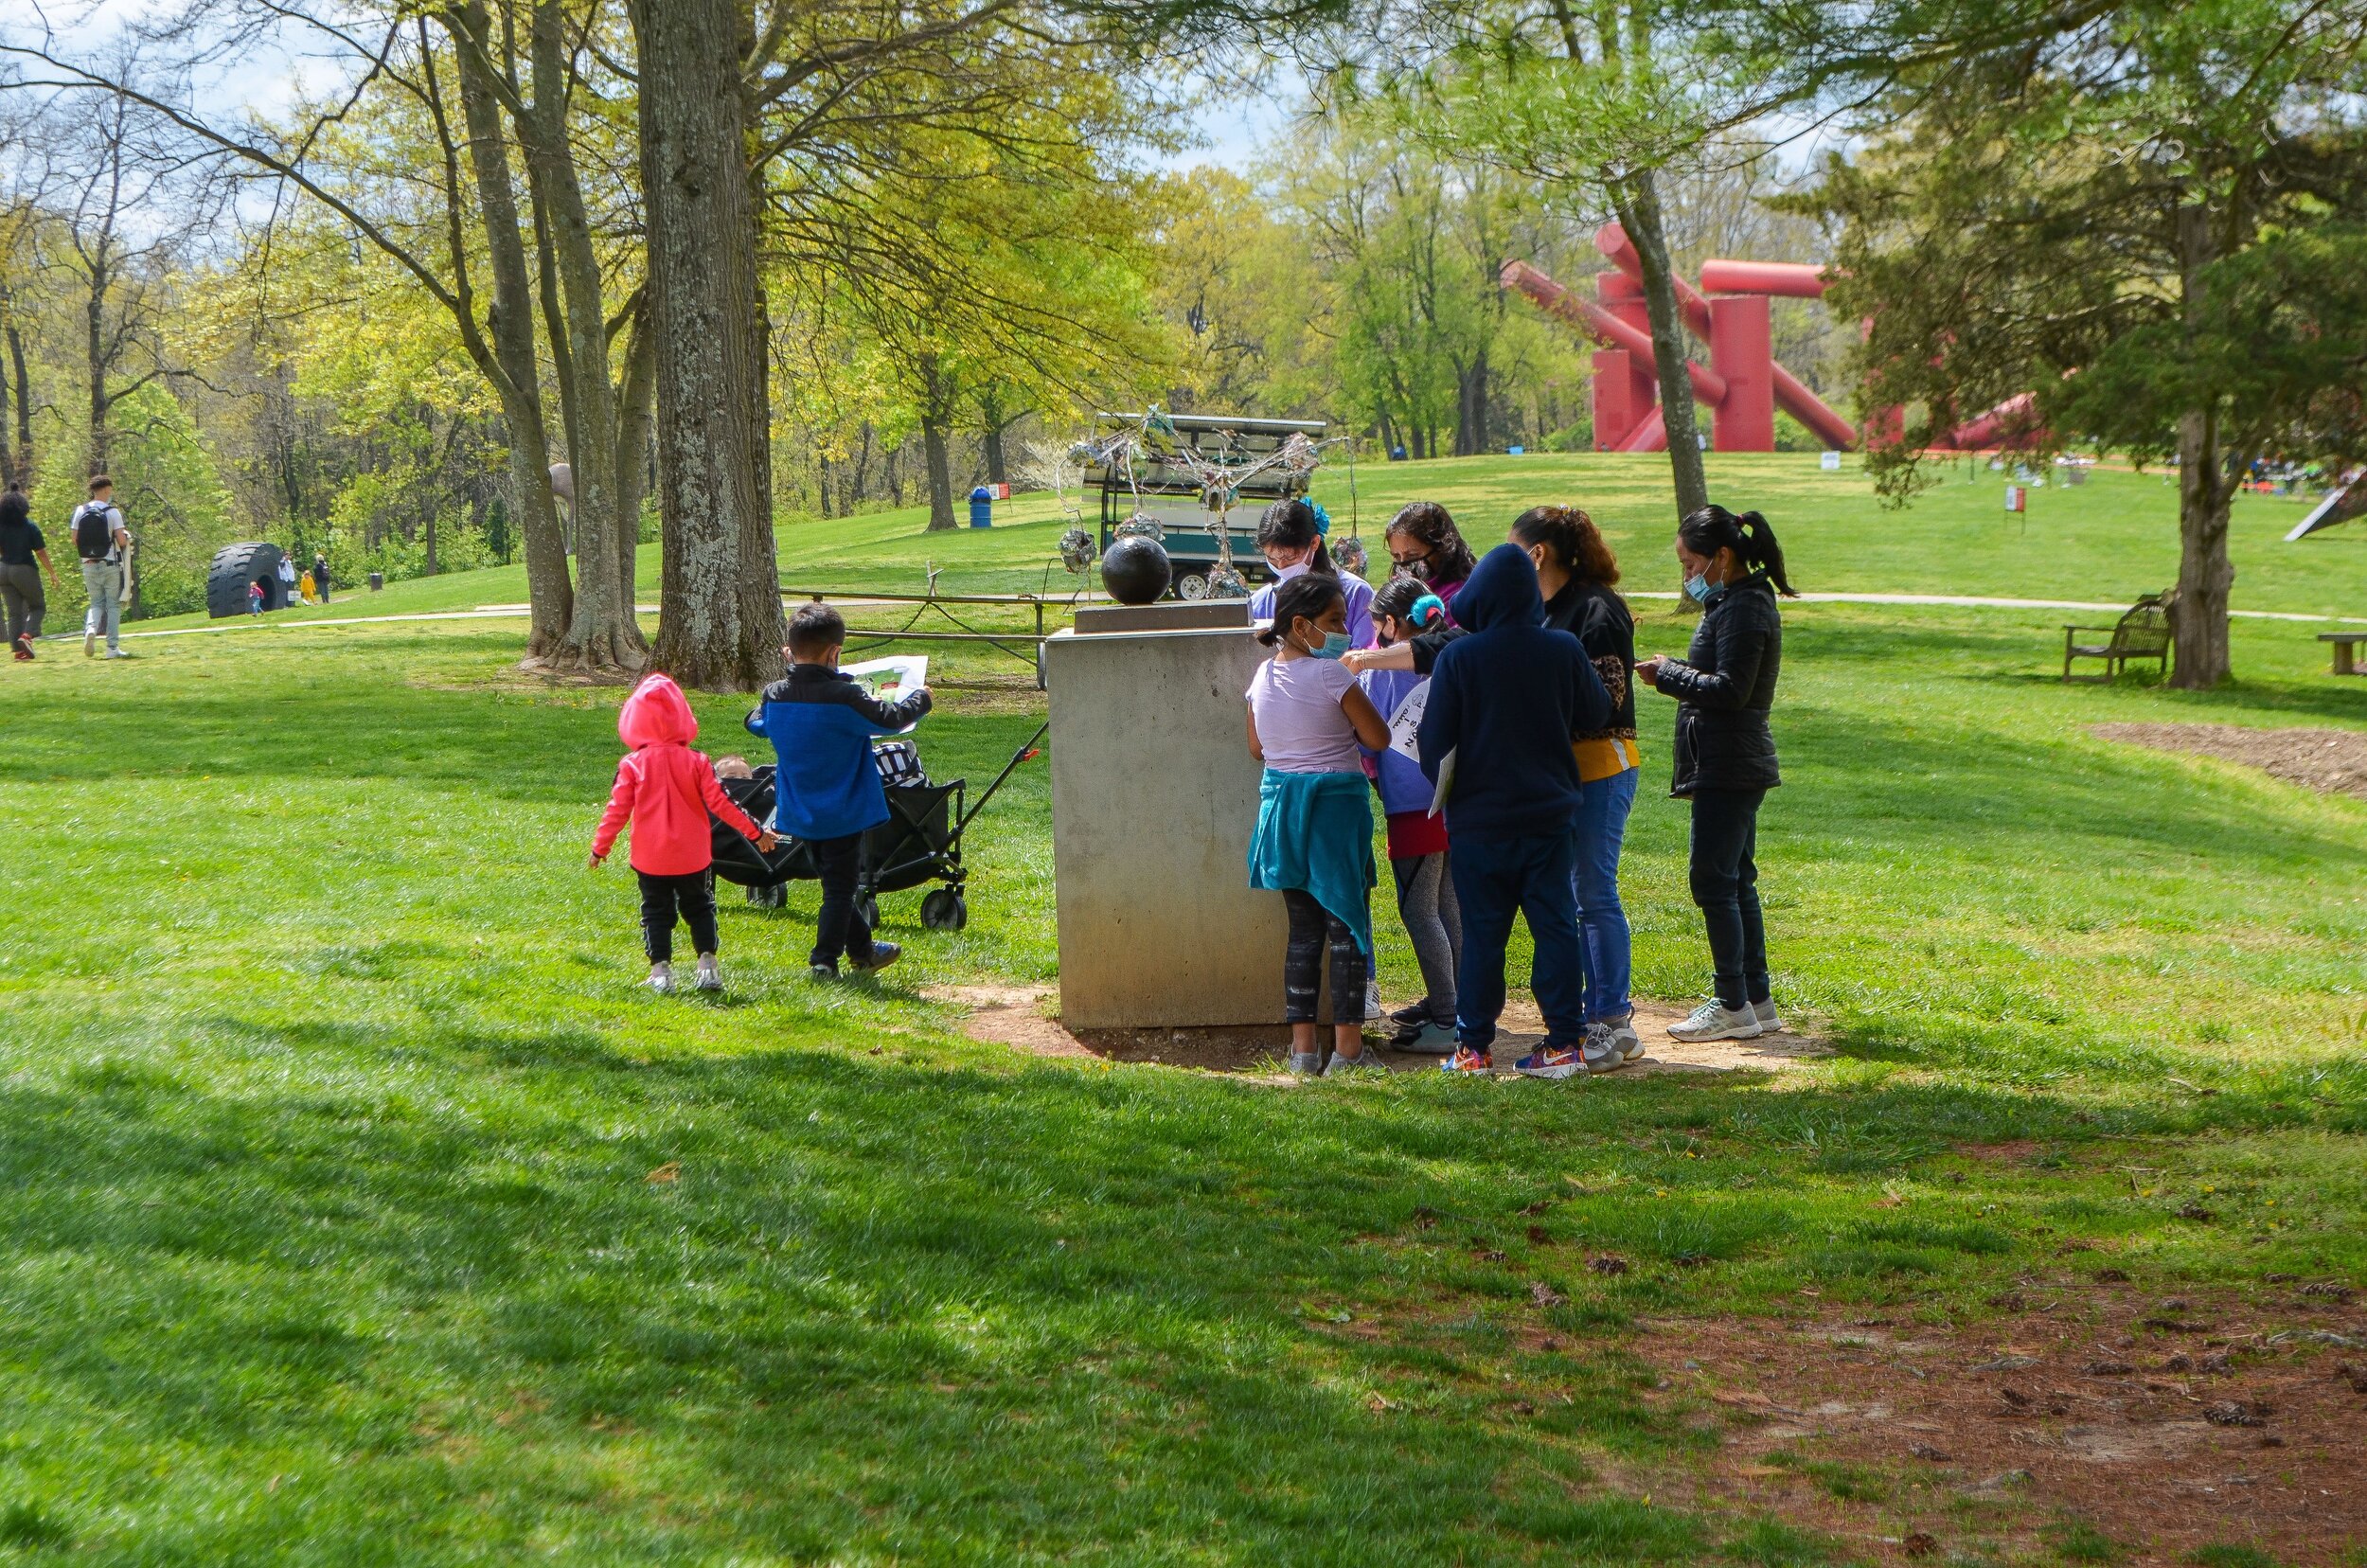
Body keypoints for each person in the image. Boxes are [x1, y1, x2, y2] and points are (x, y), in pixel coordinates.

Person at [1415, 543, 1610, 1078]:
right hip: (1549, 817)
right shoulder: (1563, 648)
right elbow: (1596, 709)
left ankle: (1473, 1049)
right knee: (1555, 928)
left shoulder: (1459, 657)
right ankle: (1565, 1045)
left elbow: (1433, 742)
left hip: (1479, 823)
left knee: (1482, 935)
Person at [1635, 505, 1793, 1043]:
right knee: (1734, 879)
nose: (1686, 575)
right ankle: (1755, 998)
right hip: (1729, 761)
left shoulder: (1745, 608)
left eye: (1690, 563)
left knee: (1712, 881)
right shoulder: (1734, 604)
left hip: (1730, 763)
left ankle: (1731, 1003)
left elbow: (1731, 690)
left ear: (1722, 557)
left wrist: (1668, 674)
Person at [1509, 506, 1644, 1071]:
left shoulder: (1595, 607)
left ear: (1537, 553)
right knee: (1570, 893)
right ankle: (1591, 1013)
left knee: (1594, 892)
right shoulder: (1541, 608)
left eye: (1514, 548)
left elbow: (1606, 699)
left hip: (1602, 768)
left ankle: (1613, 1020)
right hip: (1560, 775)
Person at [1245, 572, 1392, 1077]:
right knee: (1348, 926)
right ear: (1301, 625)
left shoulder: (1261, 677)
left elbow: (1257, 748)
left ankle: (1302, 1052)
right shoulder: (1332, 677)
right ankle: (1348, 1053)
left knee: (1303, 933)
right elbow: (1378, 737)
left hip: (1282, 813)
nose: (1342, 632)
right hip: (1334, 812)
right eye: (1333, 623)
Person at [746, 602, 933, 978]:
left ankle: (864, 950)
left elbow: (756, 723)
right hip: (844, 810)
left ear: (790, 650)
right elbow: (891, 719)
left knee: (834, 883)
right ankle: (823, 961)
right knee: (839, 891)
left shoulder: (775, 697)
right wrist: (922, 698)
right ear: (835, 653)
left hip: (799, 808)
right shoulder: (844, 698)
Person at [590, 672, 778, 993]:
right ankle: (707, 967)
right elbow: (723, 803)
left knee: (655, 912)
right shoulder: (698, 761)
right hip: (694, 855)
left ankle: (660, 972)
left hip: (651, 857)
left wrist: (600, 847)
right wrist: (755, 831)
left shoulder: (632, 765)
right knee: (700, 906)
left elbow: (617, 810)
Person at [1358, 576, 1460, 1053]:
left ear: (1392, 623)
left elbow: (1365, 733)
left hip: (1410, 804)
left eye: (1378, 623)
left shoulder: (1382, 669)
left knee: (1418, 910)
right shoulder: (1447, 657)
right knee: (1448, 906)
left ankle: (1447, 1016)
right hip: (1450, 795)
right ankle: (1460, 1004)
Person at [1247, 496, 1375, 648]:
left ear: (1314, 543)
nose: (1281, 566)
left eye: (1290, 557)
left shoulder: (1357, 593)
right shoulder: (1261, 603)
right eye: (1272, 559)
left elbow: (1366, 660)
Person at [1382, 501, 1477, 619]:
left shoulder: (1461, 595)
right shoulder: (1398, 589)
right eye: (1396, 556)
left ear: (1442, 549)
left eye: (1412, 555)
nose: (1403, 564)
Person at [72, 475, 132, 659]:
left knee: (96, 602)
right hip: (109, 563)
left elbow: (75, 540)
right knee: (113, 605)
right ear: (106, 490)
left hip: (88, 564)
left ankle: (91, 628)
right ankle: (112, 648)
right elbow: (121, 540)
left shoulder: (80, 510)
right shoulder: (112, 512)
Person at [1, 487, 59, 660]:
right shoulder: (30, 526)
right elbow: (40, 552)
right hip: (24, 568)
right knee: (38, 606)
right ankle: (27, 636)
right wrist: (52, 573)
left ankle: (19, 652)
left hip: (3, 570)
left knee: (13, 612)